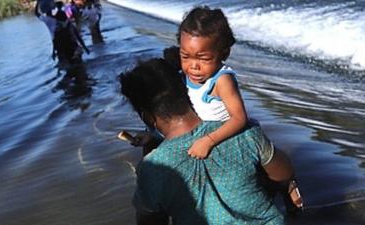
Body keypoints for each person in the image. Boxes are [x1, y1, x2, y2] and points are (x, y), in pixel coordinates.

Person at [119, 58, 301, 224]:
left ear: (147, 118)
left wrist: (149, 153)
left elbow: (150, 222)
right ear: (186, 90)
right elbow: (284, 174)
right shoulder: (244, 133)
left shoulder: (152, 168)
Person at [165, 6, 247, 161]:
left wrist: (209, 141)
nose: (194, 66)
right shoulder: (183, 77)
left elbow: (239, 118)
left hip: (223, 137)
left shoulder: (221, 80)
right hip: (198, 139)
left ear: (224, 53)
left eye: (204, 59)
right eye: (185, 56)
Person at [52, 2, 90, 66]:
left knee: (74, 67)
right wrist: (85, 48)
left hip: (70, 50)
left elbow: (55, 42)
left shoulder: (58, 29)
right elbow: (78, 37)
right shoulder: (69, 26)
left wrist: (54, 53)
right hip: (71, 50)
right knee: (79, 66)